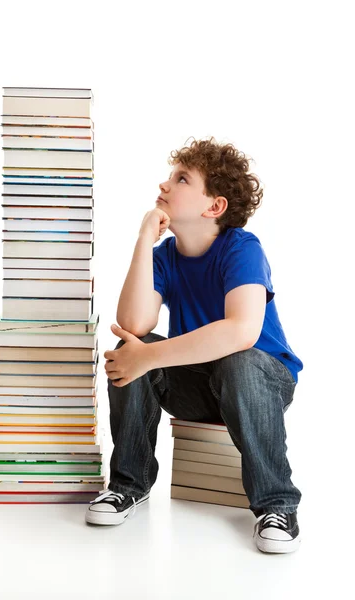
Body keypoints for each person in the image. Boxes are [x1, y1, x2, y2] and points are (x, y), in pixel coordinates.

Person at [85, 137, 303, 554]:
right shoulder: (165, 257)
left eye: (181, 179)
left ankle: (277, 504)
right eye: (170, 177)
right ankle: (128, 484)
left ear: (213, 207)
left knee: (235, 361)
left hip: (260, 380)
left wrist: (149, 357)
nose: (165, 185)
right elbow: (134, 324)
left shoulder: (241, 248)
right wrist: (142, 241)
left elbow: (242, 332)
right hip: (201, 384)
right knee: (134, 344)